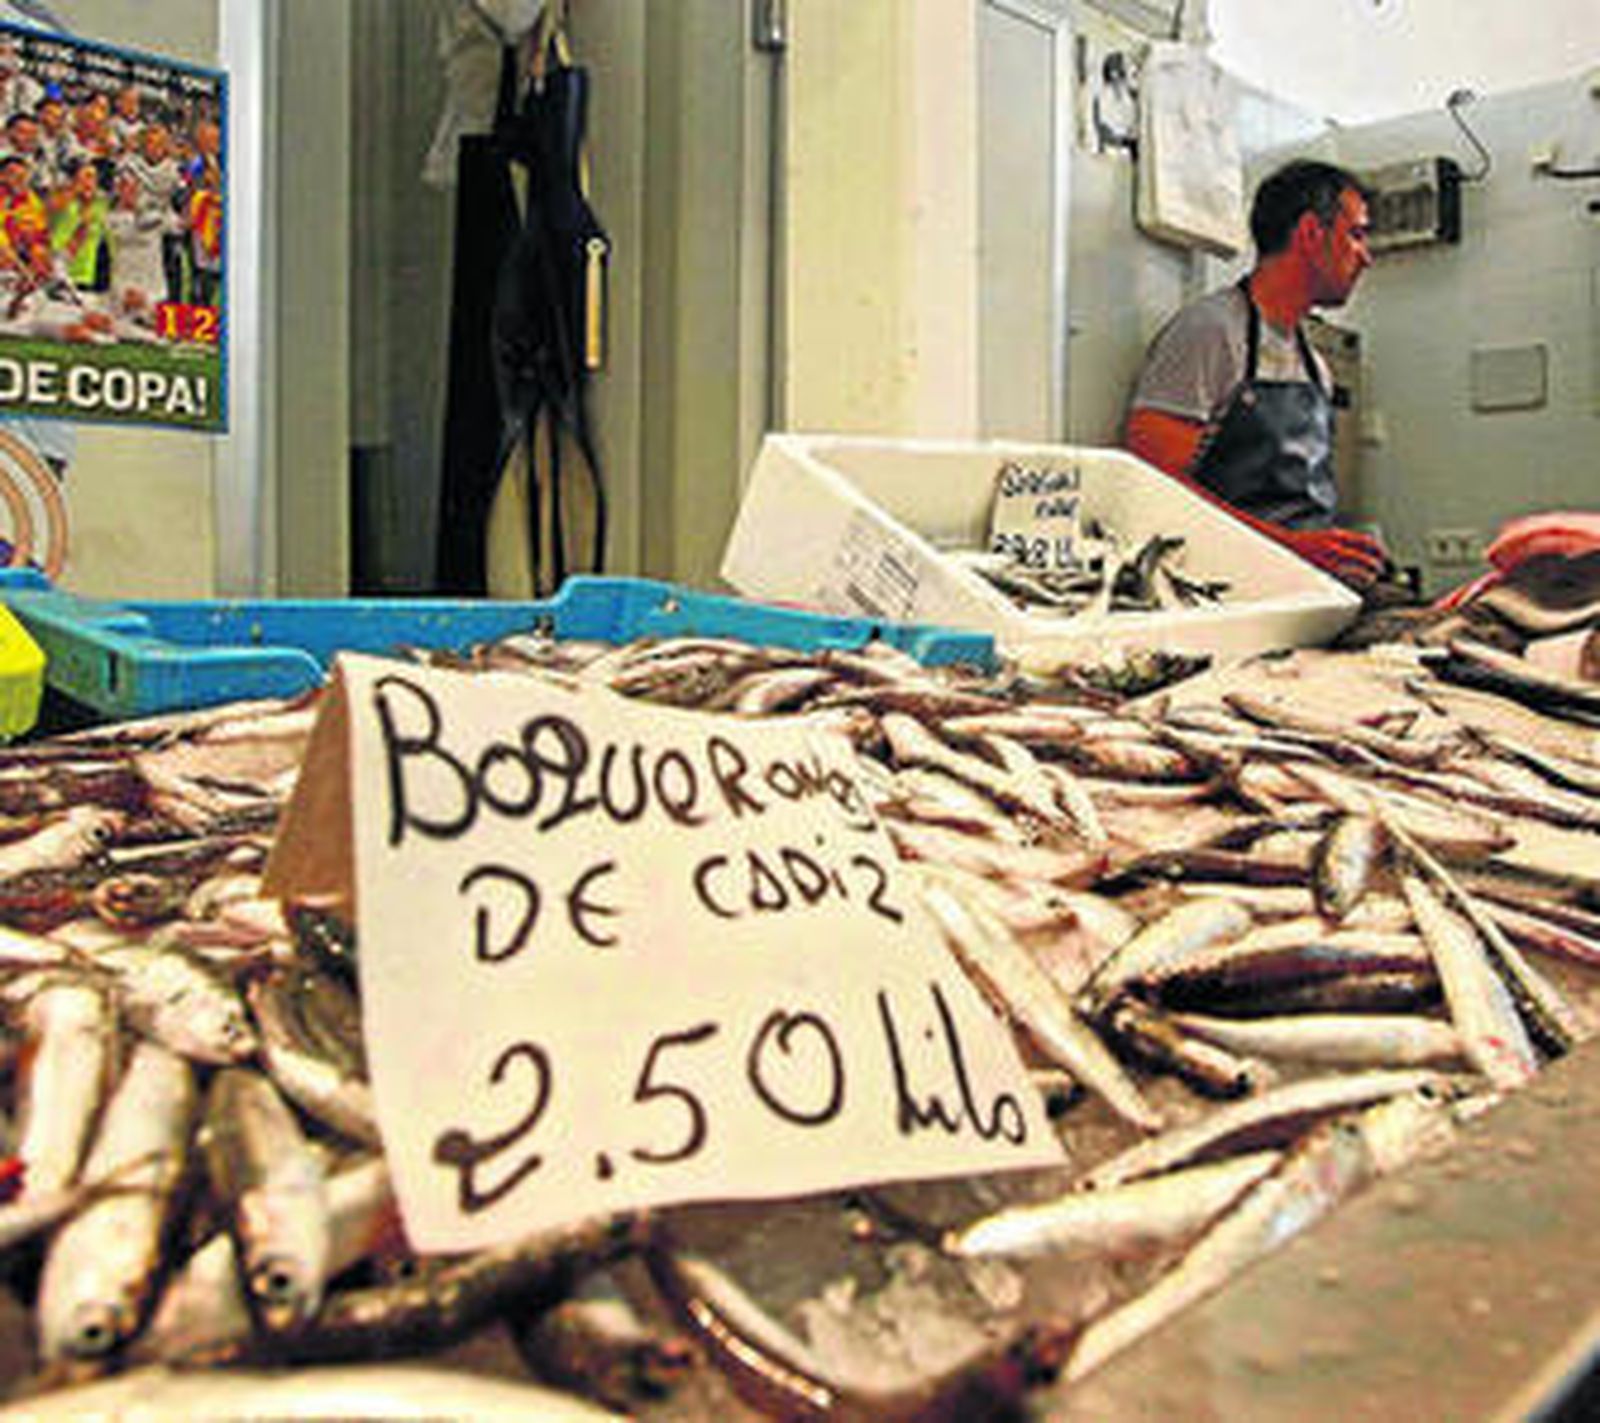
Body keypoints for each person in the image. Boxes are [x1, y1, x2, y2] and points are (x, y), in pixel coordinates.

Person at [1123, 159, 1387, 588]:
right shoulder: (1211, 333)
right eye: (1356, 235)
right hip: (1224, 588)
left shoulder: (1314, 365)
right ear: (1309, 233)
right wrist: (1290, 548)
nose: (1366, 258)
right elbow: (1154, 488)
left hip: (1305, 584)